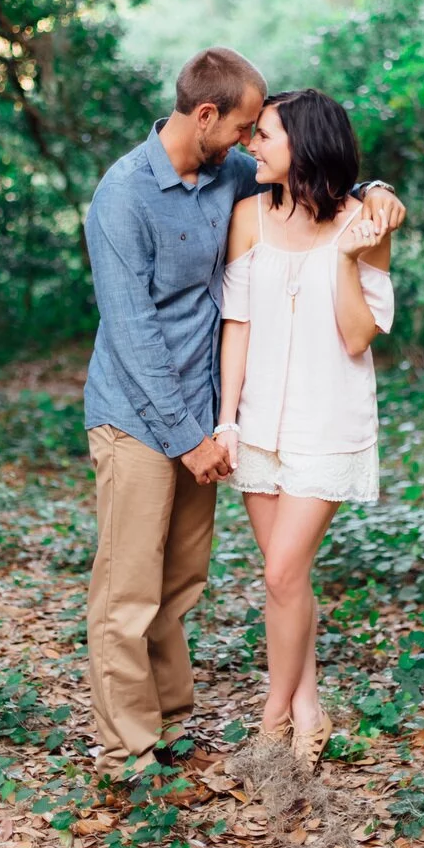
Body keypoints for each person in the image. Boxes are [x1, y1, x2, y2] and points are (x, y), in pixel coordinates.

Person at [83, 50, 404, 789]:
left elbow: (324, 181)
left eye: (261, 130)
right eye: (245, 126)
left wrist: (380, 194)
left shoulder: (230, 172)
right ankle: (126, 757)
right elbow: (131, 334)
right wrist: (197, 435)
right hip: (142, 417)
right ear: (207, 118)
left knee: (182, 583)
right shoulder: (125, 196)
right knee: (129, 591)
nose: (251, 138)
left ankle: (167, 727)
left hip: (211, 418)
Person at [215, 88, 394, 774]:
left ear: (304, 144)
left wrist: (348, 259)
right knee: (284, 583)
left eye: (264, 135)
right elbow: (238, 326)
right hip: (258, 425)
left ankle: (270, 723)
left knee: (282, 570)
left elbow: (356, 335)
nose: (250, 145)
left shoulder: (367, 222)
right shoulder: (248, 217)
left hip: (329, 425)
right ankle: (310, 707)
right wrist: (228, 421)